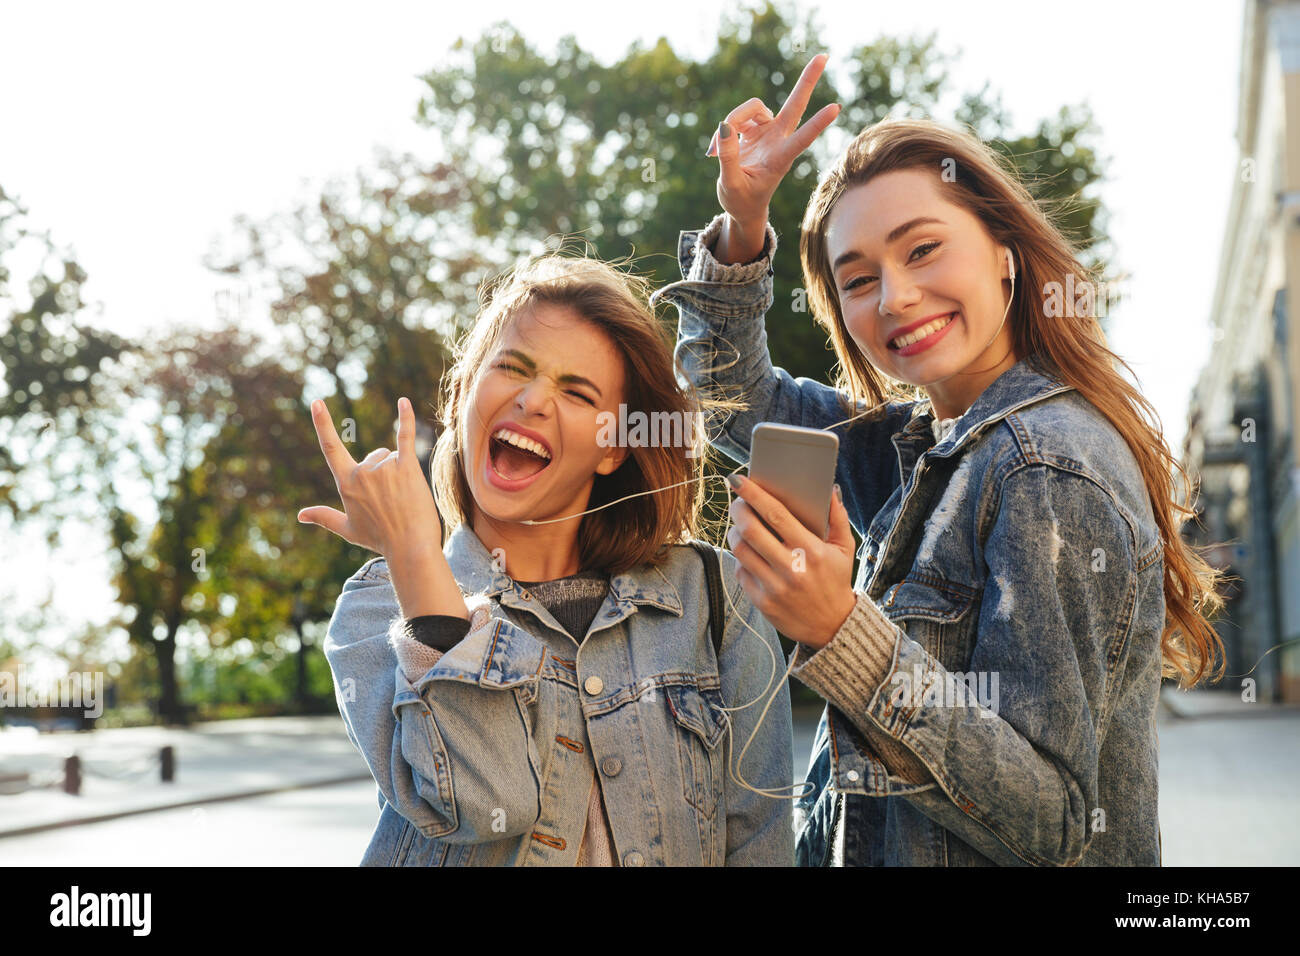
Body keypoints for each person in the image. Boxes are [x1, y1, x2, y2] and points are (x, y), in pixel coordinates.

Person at [651, 54, 1226, 866]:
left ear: (1003, 251)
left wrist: (838, 630)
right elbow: (726, 395)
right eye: (858, 281)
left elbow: (1053, 821)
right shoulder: (914, 448)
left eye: (921, 250)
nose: (894, 297)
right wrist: (745, 224)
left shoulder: (1044, 467)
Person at [302, 253, 794, 866]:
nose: (534, 400)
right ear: (463, 395)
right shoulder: (381, 604)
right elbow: (485, 797)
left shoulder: (714, 594)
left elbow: (761, 841)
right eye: (513, 367)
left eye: (576, 392)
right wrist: (412, 554)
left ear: (613, 449)